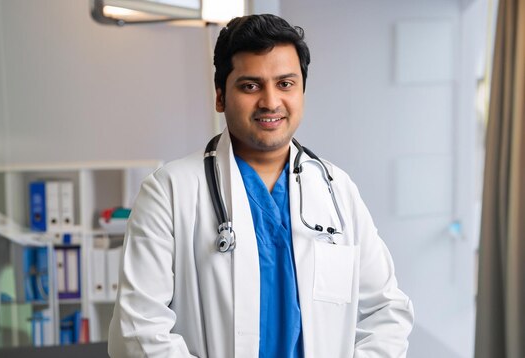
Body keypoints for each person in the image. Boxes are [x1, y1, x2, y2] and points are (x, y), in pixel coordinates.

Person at [108, 14, 414, 358]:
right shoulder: (169, 191)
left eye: (285, 84)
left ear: (302, 91)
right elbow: (138, 329)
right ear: (220, 96)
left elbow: (387, 312)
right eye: (250, 86)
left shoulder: (337, 191)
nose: (270, 101)